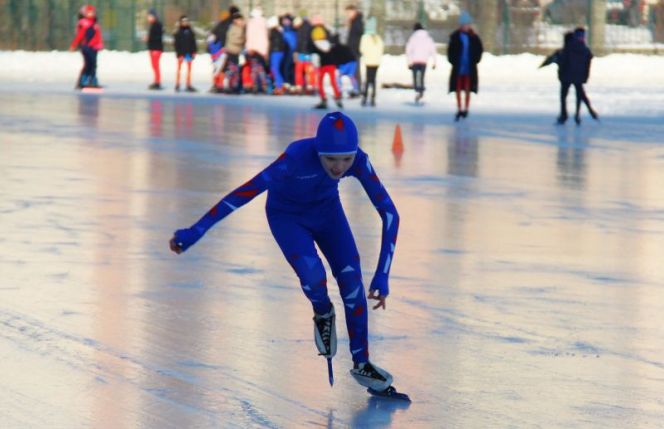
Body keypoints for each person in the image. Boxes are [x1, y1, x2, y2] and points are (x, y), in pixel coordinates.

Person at [169, 112, 401, 395]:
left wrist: (383, 274)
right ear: (318, 151)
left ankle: (362, 361)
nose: (339, 167)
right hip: (286, 216)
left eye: (346, 160)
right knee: (314, 277)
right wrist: (196, 231)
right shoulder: (295, 157)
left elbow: (390, 213)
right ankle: (322, 310)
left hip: (327, 212)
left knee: (352, 282)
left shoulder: (359, 160)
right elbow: (243, 193)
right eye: (330, 159)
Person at [557, 27, 598, 125]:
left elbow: (562, 61)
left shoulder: (568, 47)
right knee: (580, 95)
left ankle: (564, 115)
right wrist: (585, 76)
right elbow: (588, 62)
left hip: (567, 75)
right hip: (578, 76)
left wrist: (561, 73)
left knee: (564, 95)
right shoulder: (584, 49)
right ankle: (578, 115)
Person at [447, 11, 483, 121]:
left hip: (469, 67)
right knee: (458, 88)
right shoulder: (455, 37)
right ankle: (459, 108)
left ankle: (466, 108)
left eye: (467, 24)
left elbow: (479, 50)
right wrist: (453, 60)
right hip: (458, 67)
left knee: (468, 88)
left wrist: (476, 60)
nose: (465, 26)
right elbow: (450, 51)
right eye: (463, 25)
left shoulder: (474, 37)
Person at [69, 4, 103, 89]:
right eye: (89, 12)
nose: (91, 14)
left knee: (94, 64)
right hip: (86, 46)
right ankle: (83, 81)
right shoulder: (83, 23)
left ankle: (93, 80)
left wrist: (100, 44)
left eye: (93, 12)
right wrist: (74, 45)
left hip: (95, 47)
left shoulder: (95, 23)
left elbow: (98, 35)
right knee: (88, 64)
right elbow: (80, 35)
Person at [311, 21, 343, 109]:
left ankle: (323, 99)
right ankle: (337, 96)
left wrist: (316, 65)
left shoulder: (315, 45)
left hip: (323, 65)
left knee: (320, 82)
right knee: (333, 81)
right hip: (331, 64)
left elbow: (315, 57)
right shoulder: (328, 43)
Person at [208, 6, 238, 93]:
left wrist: (211, 48)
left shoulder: (221, 24)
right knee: (224, 67)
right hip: (225, 49)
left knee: (219, 67)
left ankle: (218, 85)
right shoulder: (230, 24)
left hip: (220, 49)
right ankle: (222, 84)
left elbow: (212, 36)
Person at [405, 22, 437, 104]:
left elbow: (408, 50)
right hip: (424, 61)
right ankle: (421, 91)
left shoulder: (413, 38)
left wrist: (409, 62)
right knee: (422, 77)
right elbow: (433, 50)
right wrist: (434, 62)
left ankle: (417, 90)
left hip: (415, 61)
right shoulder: (428, 38)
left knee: (415, 77)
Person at [359, 17, 384, 107]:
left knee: (367, 79)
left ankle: (365, 98)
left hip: (368, 61)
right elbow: (381, 49)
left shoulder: (365, 37)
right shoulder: (378, 38)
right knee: (373, 79)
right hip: (376, 61)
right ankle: (373, 98)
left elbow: (362, 49)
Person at [245, 7, 269, 93]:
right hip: (262, 49)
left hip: (253, 49)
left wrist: (249, 48)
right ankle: (263, 85)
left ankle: (255, 85)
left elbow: (249, 36)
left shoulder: (251, 23)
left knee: (254, 68)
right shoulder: (264, 23)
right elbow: (265, 38)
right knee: (261, 68)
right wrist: (265, 51)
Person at [223, 12, 246, 94]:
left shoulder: (240, 28)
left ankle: (234, 85)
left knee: (235, 69)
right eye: (240, 20)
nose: (241, 21)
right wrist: (242, 40)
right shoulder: (234, 28)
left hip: (237, 51)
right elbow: (232, 39)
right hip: (232, 51)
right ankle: (230, 85)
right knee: (233, 69)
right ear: (235, 20)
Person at [344, 4, 364, 98]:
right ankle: (356, 89)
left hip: (355, 50)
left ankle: (358, 90)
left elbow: (359, 35)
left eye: (349, 13)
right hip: (351, 50)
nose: (347, 15)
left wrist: (356, 48)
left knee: (355, 71)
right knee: (353, 71)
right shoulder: (354, 21)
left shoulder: (358, 22)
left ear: (354, 11)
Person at [174, 15, 198, 92]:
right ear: (181, 22)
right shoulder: (178, 33)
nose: (185, 23)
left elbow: (193, 43)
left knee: (189, 69)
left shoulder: (191, 32)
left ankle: (188, 84)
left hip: (188, 53)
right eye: (183, 21)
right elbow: (176, 44)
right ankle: (177, 84)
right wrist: (179, 54)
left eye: (186, 21)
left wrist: (194, 52)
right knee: (179, 69)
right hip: (181, 53)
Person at [293, 16, 315, 95]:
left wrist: (296, 51)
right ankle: (310, 86)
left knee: (299, 70)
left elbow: (299, 42)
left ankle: (299, 86)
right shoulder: (310, 27)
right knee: (309, 70)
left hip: (302, 52)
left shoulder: (300, 30)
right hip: (309, 52)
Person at [146, 8, 164, 90]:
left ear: (154, 16)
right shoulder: (153, 25)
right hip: (152, 48)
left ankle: (158, 82)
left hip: (156, 49)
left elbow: (157, 37)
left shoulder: (157, 25)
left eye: (150, 16)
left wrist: (149, 38)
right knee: (154, 66)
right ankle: (156, 81)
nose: (148, 18)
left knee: (156, 66)